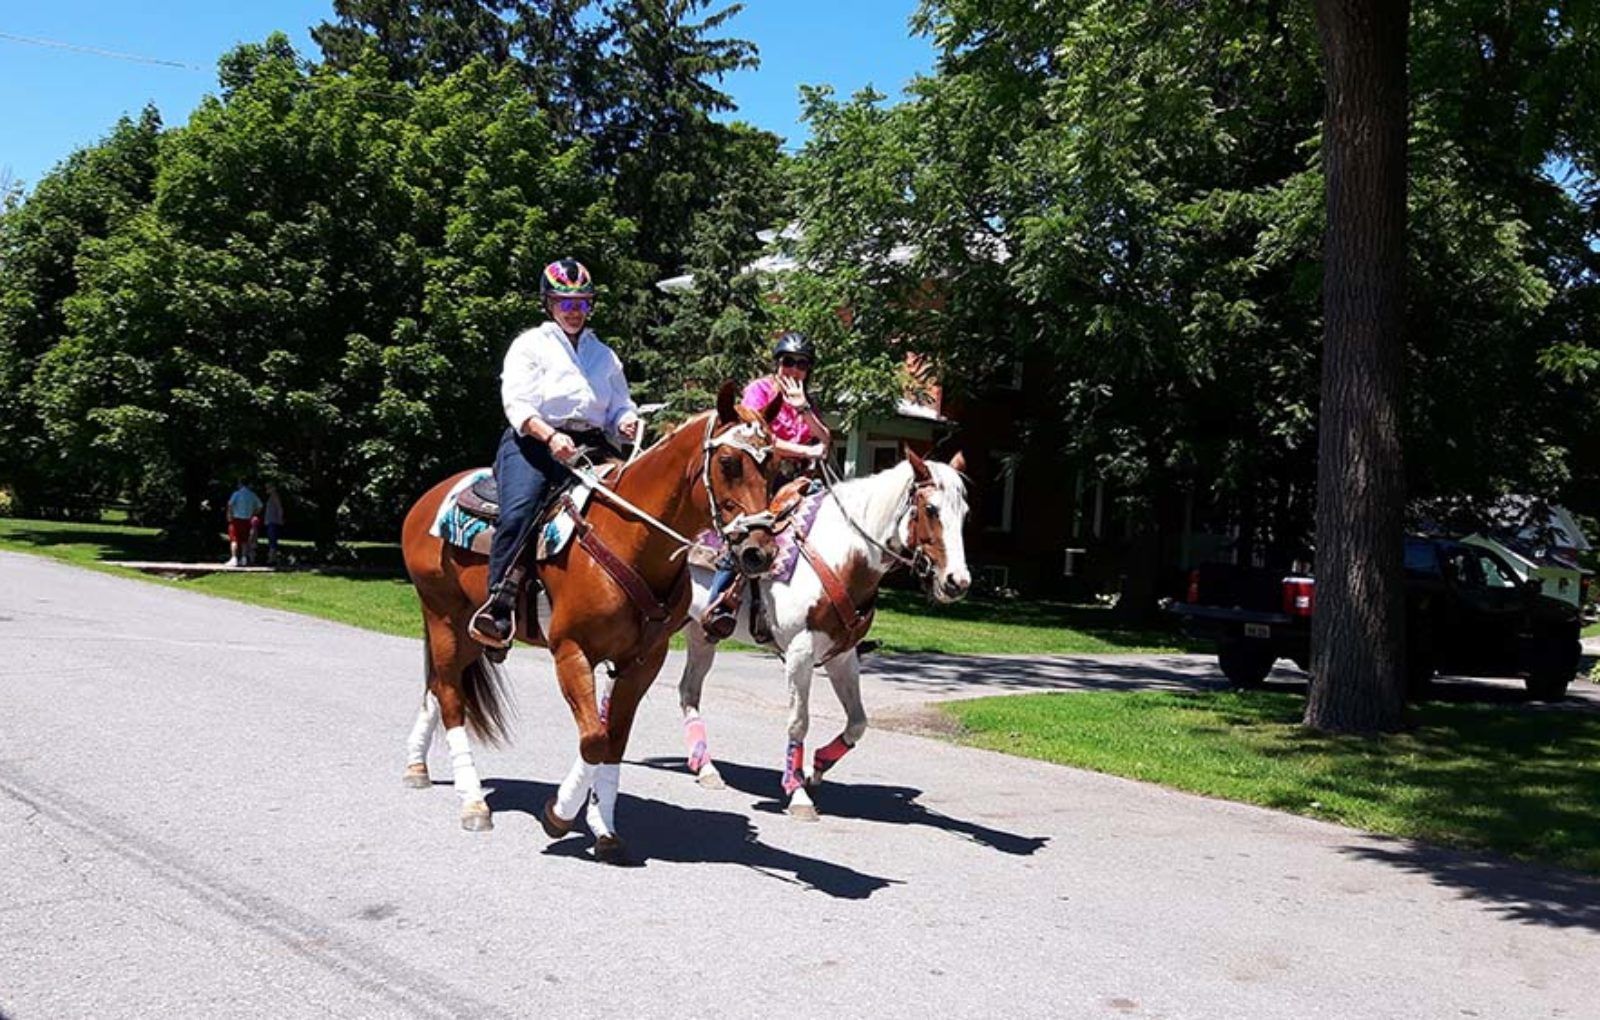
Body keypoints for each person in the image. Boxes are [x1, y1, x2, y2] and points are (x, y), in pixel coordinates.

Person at [468, 258, 642, 649]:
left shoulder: (604, 355)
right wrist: (549, 437)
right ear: (549, 303)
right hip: (533, 445)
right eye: (566, 302)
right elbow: (517, 403)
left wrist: (625, 421)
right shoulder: (530, 345)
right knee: (520, 511)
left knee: (629, 503)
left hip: (592, 446)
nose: (574, 311)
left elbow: (619, 404)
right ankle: (498, 603)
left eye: (582, 302)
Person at [701, 331, 831, 639]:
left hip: (797, 479)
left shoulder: (807, 401)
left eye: (801, 364)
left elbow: (824, 439)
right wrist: (805, 451)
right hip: (760, 474)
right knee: (752, 526)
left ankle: (831, 610)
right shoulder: (759, 391)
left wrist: (804, 409)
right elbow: (754, 435)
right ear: (777, 363)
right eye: (788, 362)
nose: (794, 370)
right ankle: (719, 605)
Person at [226, 480, 263, 567]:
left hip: (236, 519)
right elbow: (260, 506)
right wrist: (253, 513)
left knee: (234, 539)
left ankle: (234, 558)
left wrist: (229, 514)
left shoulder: (237, 493)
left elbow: (230, 504)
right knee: (244, 540)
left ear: (241, 484)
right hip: (247, 519)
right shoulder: (252, 494)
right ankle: (244, 558)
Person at [264, 484, 286, 565]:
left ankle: (271, 559)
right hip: (271, 521)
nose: (267, 489)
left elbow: (279, 508)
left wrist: (280, 519)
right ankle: (273, 558)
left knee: (272, 540)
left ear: (274, 488)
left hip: (273, 521)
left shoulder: (275, 496)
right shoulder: (271, 497)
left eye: (269, 487)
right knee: (272, 540)